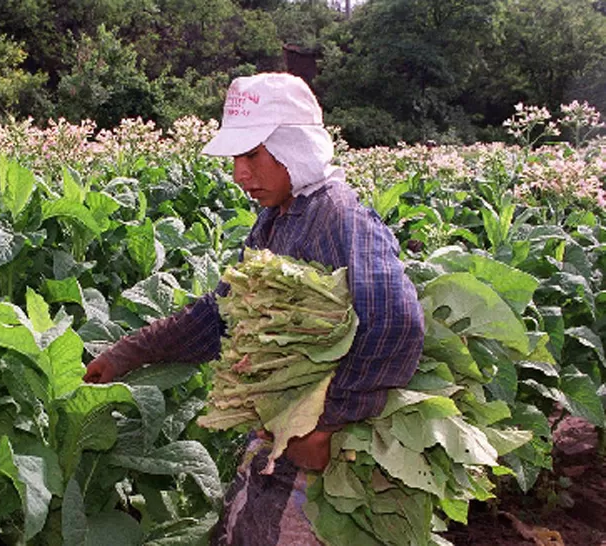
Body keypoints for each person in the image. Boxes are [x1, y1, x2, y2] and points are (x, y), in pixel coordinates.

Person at [83, 73, 425, 545]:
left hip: (330, 458)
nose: (240, 174)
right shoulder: (275, 220)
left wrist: (328, 422)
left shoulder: (338, 217)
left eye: (252, 156)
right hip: (280, 432)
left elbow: (395, 320)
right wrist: (128, 353)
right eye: (236, 158)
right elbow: (221, 312)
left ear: (294, 148)